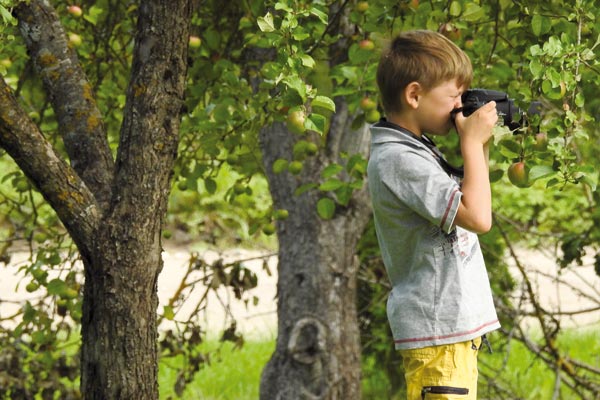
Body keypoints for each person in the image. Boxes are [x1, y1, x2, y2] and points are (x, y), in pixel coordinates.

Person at [367, 30, 501, 400]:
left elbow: (473, 198)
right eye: (454, 96)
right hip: (438, 333)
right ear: (414, 95)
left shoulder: (416, 150)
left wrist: (477, 144)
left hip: (449, 334)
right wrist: (471, 143)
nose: (460, 106)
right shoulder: (398, 159)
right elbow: (478, 217)